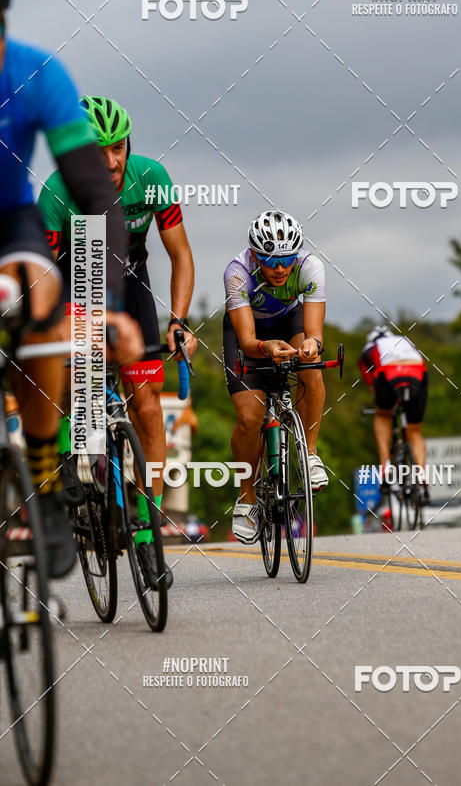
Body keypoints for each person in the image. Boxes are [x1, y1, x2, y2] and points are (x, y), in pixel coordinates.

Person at [0, 0, 142, 577]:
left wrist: (107, 302)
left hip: (9, 225)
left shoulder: (36, 74)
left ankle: (43, 483)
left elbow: (95, 193)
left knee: (36, 303)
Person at [39, 95, 198, 588]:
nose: (111, 161)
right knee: (78, 379)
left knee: (148, 405)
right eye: (98, 151)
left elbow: (181, 254)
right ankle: (71, 446)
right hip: (77, 274)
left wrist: (179, 319)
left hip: (132, 278)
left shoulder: (151, 179)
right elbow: (45, 277)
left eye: (119, 148)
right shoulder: (58, 193)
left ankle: (147, 530)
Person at [222, 209, 327, 543]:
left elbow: (314, 333)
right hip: (249, 333)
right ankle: (247, 498)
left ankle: (309, 454)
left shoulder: (311, 267)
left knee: (311, 368)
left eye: (287, 260)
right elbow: (249, 341)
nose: (280, 268)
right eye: (270, 260)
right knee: (249, 418)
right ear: (255, 255)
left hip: (287, 320)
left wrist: (312, 345)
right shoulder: (238, 273)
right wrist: (266, 347)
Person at [358, 325, 431, 503]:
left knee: (383, 414)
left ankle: (386, 465)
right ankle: (420, 472)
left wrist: (386, 404)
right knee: (414, 431)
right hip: (417, 372)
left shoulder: (368, 350)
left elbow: (373, 389)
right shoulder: (405, 341)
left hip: (388, 372)